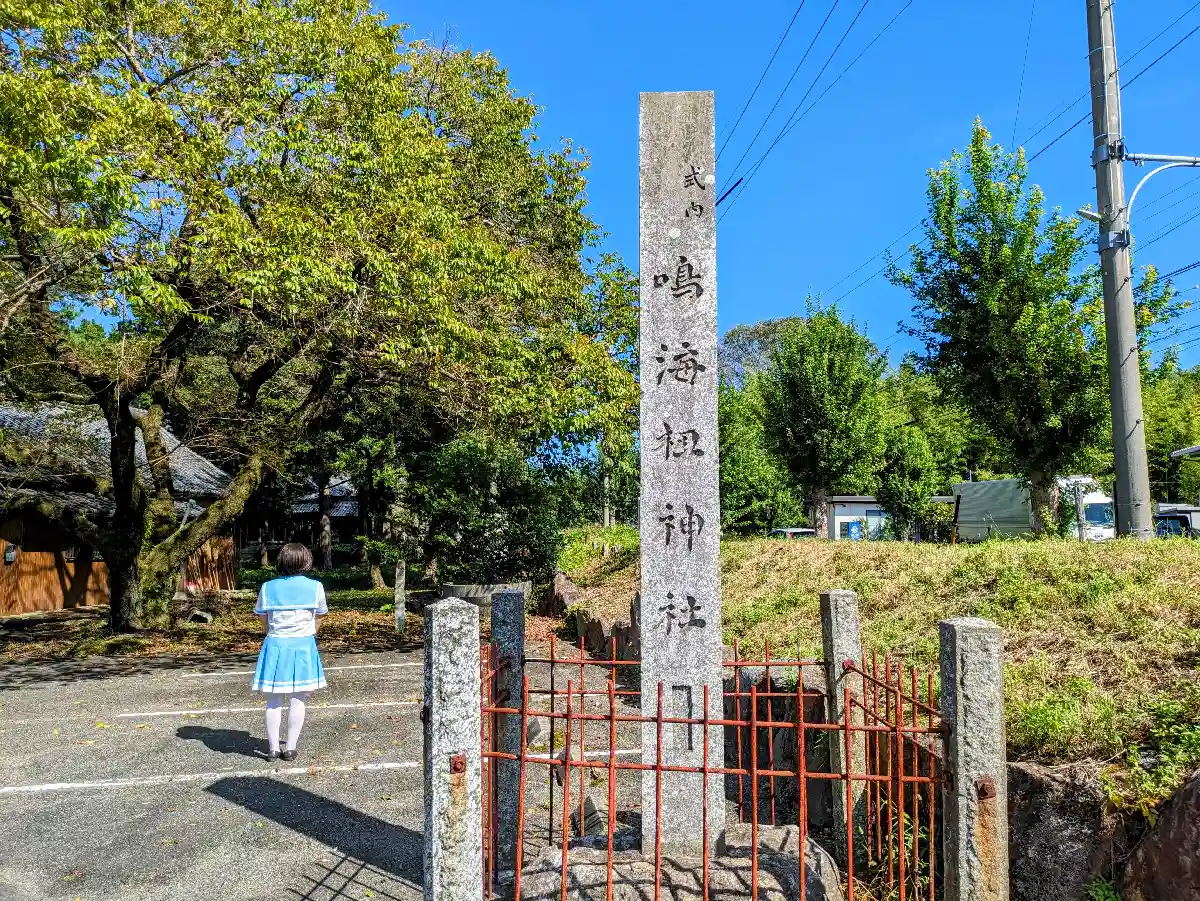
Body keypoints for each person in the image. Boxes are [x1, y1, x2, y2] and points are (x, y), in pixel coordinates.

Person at [252, 542, 327, 760]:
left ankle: (273, 748)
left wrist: (270, 631)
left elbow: (262, 616)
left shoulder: (268, 587)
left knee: (273, 700)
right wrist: (311, 631)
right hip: (303, 645)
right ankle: (291, 748)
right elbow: (320, 614)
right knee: (298, 698)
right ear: (306, 561)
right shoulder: (315, 587)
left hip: (275, 645)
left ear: (281, 561)